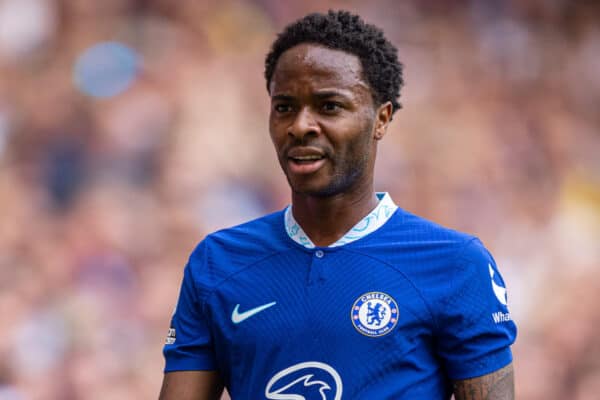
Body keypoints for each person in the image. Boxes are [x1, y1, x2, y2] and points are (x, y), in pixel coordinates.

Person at [159, 10, 517, 400]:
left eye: (329, 106)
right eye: (284, 107)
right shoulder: (217, 262)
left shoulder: (455, 263)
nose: (300, 125)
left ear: (381, 119)